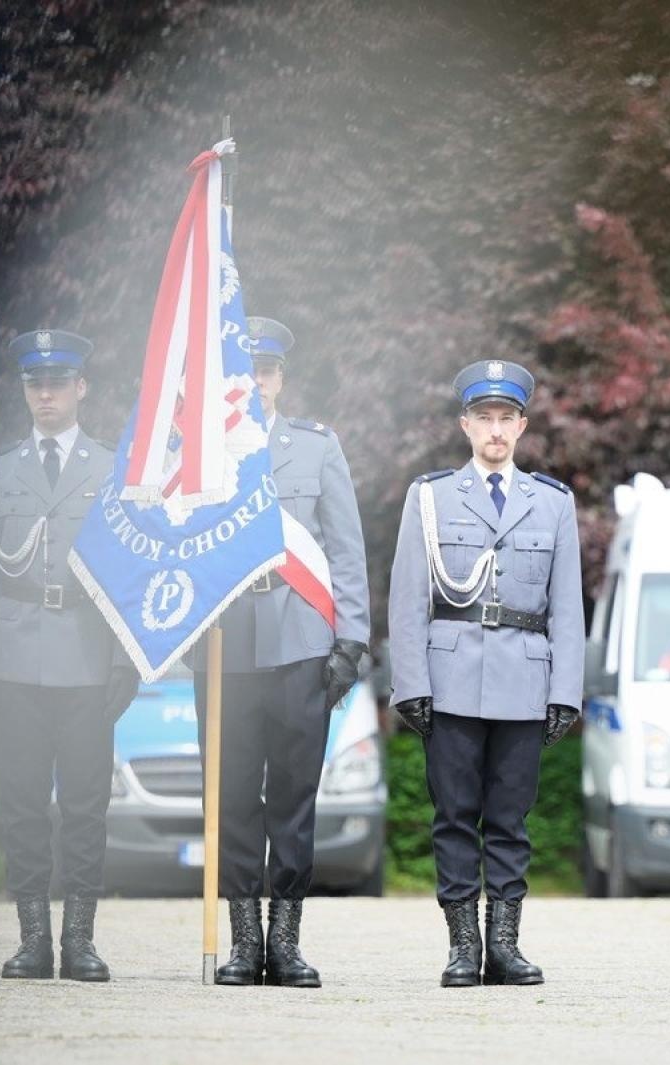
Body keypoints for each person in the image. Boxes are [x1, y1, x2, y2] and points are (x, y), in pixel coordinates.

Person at [388, 359, 585, 988]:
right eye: (484, 418)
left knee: (509, 819)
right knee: (452, 816)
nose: (495, 429)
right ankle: (462, 947)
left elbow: (568, 608)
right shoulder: (431, 497)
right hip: (449, 680)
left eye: (506, 418)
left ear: (522, 425)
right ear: (465, 424)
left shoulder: (552, 503)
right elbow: (407, 599)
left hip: (525, 680)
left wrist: (567, 692)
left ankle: (504, 945)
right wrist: (412, 683)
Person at [190, 316, 371, 988]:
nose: (258, 382)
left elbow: (346, 550)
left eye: (266, 371)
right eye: (246, 371)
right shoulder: (203, 456)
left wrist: (350, 640)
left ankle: (286, 943)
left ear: (280, 378)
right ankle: (243, 943)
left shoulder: (317, 447)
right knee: (234, 794)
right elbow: (187, 551)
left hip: (301, 644)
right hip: (227, 648)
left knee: (294, 795)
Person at [0, 329, 138, 981]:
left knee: (88, 804)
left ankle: (80, 940)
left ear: (80, 387)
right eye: (36, 383)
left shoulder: (111, 467)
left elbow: (124, 571)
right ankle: (33, 939)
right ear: (24, 389)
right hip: (15, 654)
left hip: (90, 655)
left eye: (58, 382)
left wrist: (125, 659)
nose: (46, 394)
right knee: (22, 800)